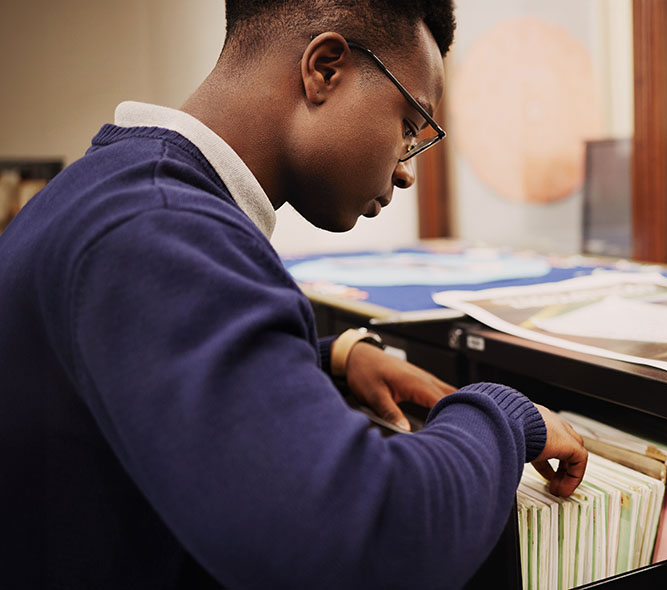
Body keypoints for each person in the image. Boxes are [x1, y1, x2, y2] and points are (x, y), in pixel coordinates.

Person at [0, 1, 588, 588]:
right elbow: (368, 543)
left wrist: (331, 359)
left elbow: (134, 365)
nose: (407, 169)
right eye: (409, 125)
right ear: (325, 68)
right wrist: (507, 418)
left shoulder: (115, 186)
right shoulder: (161, 229)